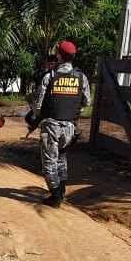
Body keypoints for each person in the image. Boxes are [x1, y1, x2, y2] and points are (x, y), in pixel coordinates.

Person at [27, 40, 90, 207]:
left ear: (60, 56)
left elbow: (37, 105)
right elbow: (87, 101)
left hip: (51, 126)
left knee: (49, 161)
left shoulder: (50, 76)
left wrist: (36, 115)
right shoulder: (81, 77)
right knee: (62, 158)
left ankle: (55, 196)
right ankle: (61, 190)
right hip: (70, 127)